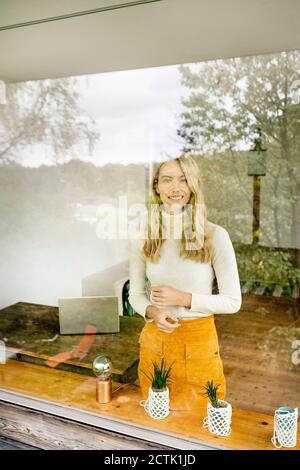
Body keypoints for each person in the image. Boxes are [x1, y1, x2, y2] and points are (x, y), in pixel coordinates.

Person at [129, 155, 242, 412]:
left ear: (193, 186)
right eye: (167, 180)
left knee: (202, 422)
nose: (175, 188)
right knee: (154, 421)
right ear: (157, 187)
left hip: (199, 342)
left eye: (183, 180)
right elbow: (135, 294)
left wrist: (184, 299)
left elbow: (233, 302)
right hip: (155, 342)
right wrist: (153, 312)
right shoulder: (142, 234)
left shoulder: (215, 235)